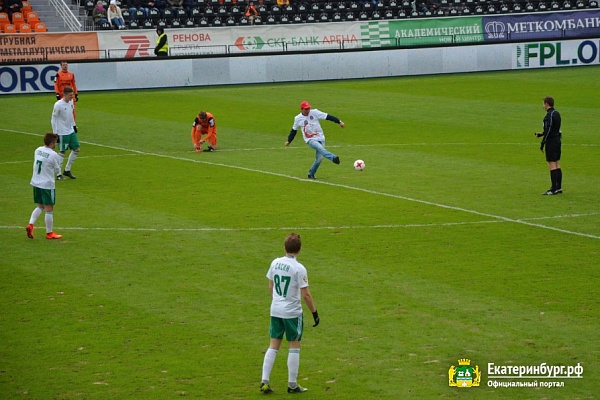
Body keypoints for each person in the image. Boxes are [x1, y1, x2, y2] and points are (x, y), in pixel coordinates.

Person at [260, 233, 319, 394]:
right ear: (299, 249)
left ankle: (264, 381)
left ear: (284, 247)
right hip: (292, 313)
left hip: (276, 310)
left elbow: (271, 286)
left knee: (274, 344)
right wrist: (314, 312)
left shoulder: (275, 263)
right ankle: (292, 384)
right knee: (294, 345)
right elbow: (305, 295)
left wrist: (278, 301)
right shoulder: (299, 268)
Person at [285, 101, 344, 179]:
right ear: (301, 109)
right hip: (310, 139)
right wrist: (289, 141)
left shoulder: (315, 112)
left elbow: (328, 116)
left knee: (319, 159)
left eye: (308, 108)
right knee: (320, 148)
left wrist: (339, 121)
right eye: (306, 109)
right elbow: (294, 130)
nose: (308, 110)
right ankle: (333, 158)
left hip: (320, 137)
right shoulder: (297, 118)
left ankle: (311, 173)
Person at [26, 133, 63, 240]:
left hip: (36, 182)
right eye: (55, 142)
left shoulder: (38, 150)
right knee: (49, 209)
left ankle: (31, 224)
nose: (56, 144)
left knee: (40, 206)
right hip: (47, 184)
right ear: (52, 143)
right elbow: (57, 170)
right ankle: (49, 233)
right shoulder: (53, 154)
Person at [535, 96, 563, 195]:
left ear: (547, 104)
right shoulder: (557, 113)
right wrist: (541, 133)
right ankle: (558, 187)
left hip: (551, 142)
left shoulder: (549, 115)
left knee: (551, 164)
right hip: (557, 140)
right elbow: (553, 129)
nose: (543, 106)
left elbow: (550, 129)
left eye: (543, 103)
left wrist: (543, 143)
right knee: (556, 163)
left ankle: (553, 188)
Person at [51, 87, 79, 180]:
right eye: (70, 95)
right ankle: (58, 174)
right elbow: (53, 119)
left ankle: (67, 170)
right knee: (62, 151)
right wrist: (55, 133)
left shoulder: (71, 102)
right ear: (65, 95)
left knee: (76, 149)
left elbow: (71, 114)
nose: (72, 97)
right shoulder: (58, 105)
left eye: (73, 95)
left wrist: (74, 125)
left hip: (70, 130)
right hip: (62, 132)